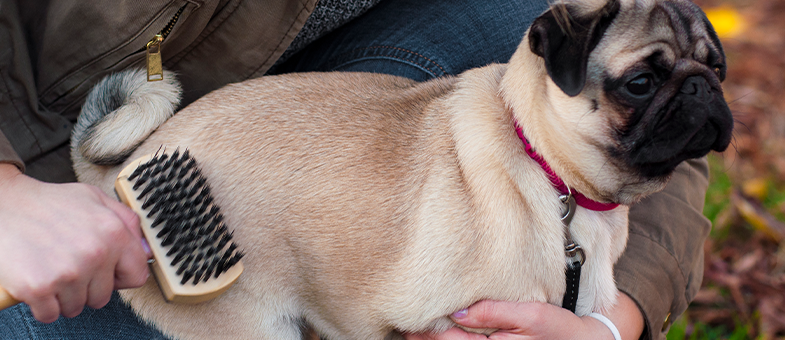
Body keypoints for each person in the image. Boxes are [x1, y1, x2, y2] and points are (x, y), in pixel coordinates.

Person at [0, 0, 712, 339]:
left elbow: (656, 114)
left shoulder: (598, 36)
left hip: (345, 77)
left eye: (709, 71)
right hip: (53, 158)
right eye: (641, 86)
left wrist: (612, 324)